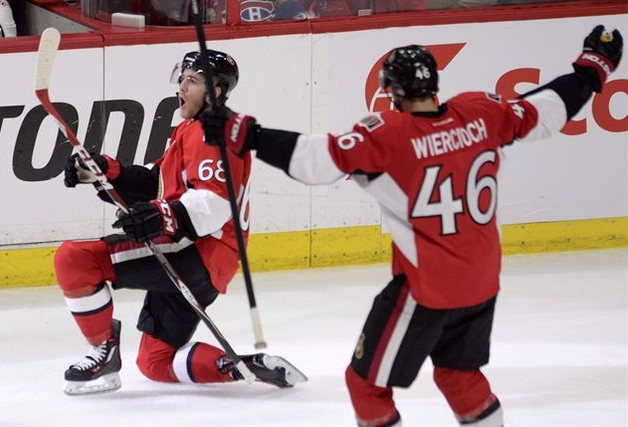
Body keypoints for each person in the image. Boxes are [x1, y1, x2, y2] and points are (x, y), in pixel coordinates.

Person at [201, 25, 623, 426]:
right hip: (481, 281)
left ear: (391, 92)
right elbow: (548, 108)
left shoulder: (389, 135)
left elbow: (316, 161)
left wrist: (246, 133)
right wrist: (593, 67)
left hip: (428, 289)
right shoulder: (482, 112)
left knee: (365, 384)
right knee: (460, 377)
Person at [55, 49, 306, 395]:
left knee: (75, 259)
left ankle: (103, 352)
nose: (182, 88)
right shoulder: (191, 129)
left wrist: (161, 215)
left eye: (193, 81)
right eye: (182, 79)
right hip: (207, 261)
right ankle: (232, 367)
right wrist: (103, 172)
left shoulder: (213, 133)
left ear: (216, 92)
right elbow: (154, 183)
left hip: (197, 251)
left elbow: (216, 201)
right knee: (154, 362)